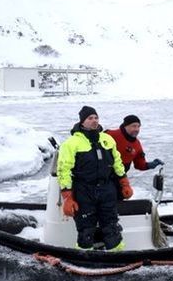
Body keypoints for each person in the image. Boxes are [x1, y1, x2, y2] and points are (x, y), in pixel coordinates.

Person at [57, 105, 133, 251]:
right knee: (86, 229)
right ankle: (84, 260)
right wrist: (67, 197)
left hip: (107, 189)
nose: (94, 121)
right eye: (90, 118)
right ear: (82, 122)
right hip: (84, 191)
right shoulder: (71, 143)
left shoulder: (107, 139)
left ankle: (117, 257)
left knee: (111, 226)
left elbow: (117, 162)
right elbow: (63, 170)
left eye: (96, 117)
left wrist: (124, 183)